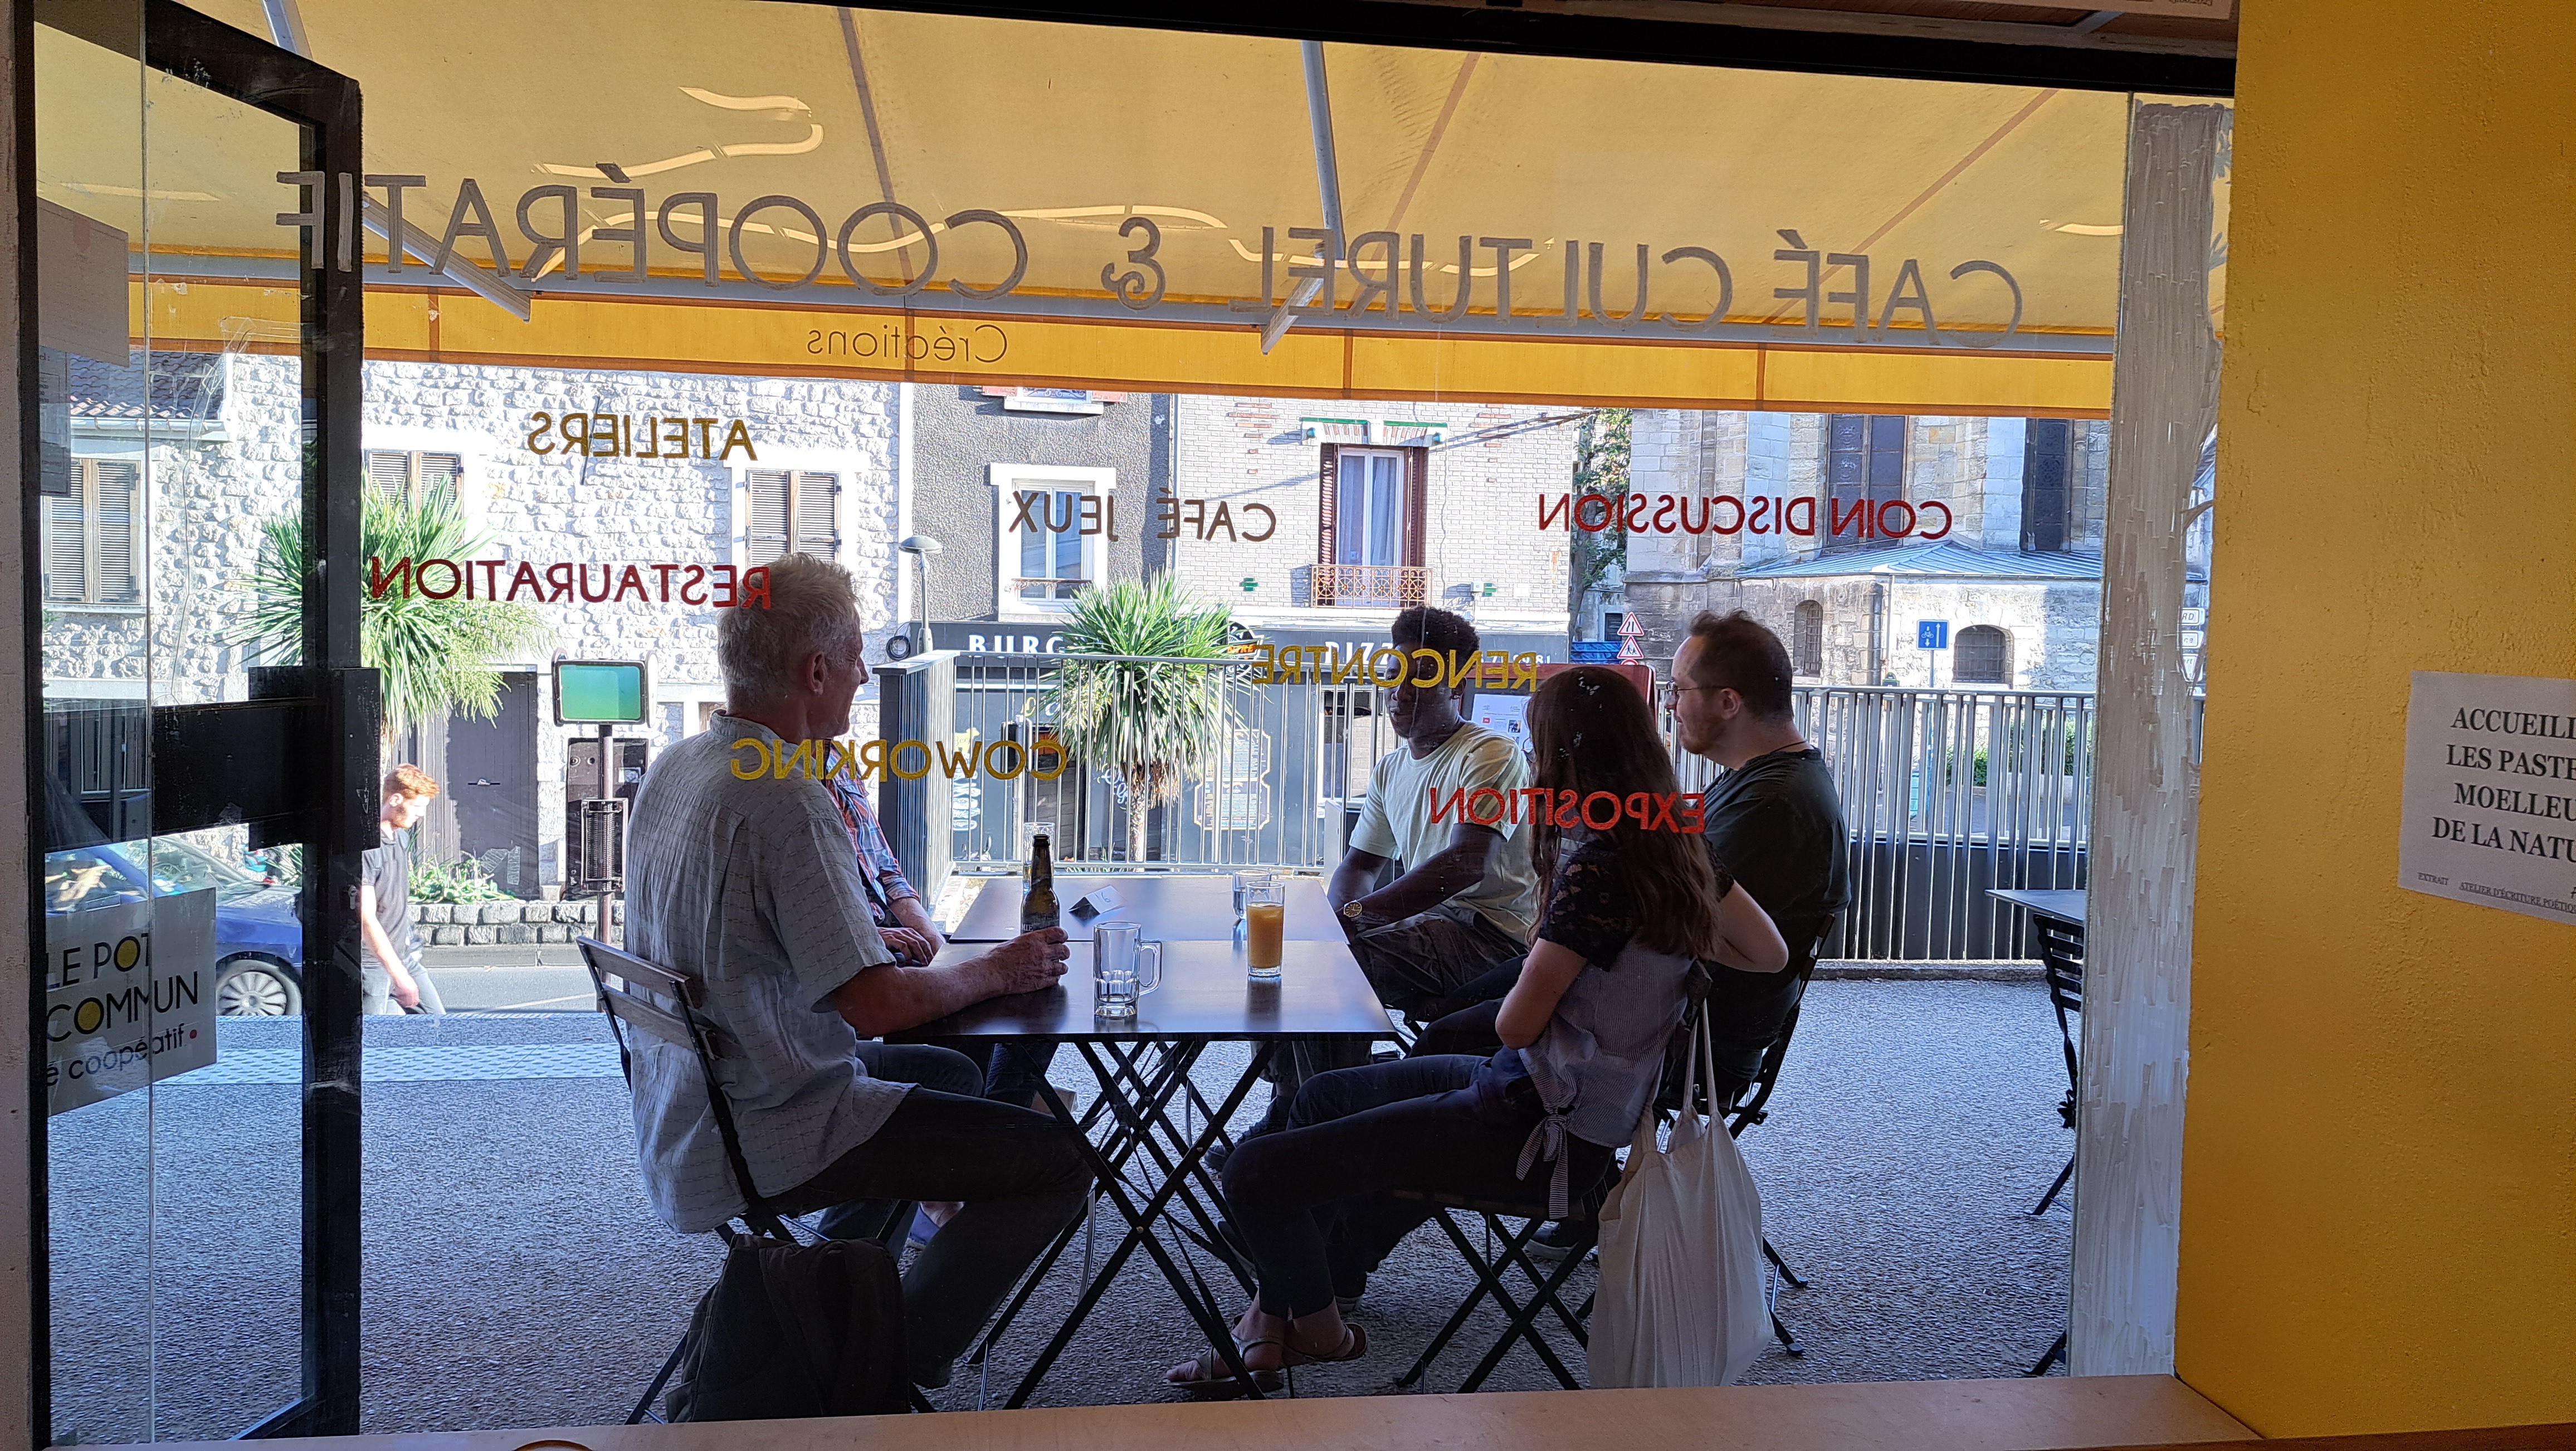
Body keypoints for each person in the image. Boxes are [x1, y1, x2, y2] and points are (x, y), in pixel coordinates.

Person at [1168, 666, 1787, 1392]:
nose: (1531, 758)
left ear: (1566, 758)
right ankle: (1268, 1330)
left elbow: (1516, 1024)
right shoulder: (1681, 849)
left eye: (1539, 745)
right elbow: (1768, 953)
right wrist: (1656, 949)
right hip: (1540, 1101)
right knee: (1318, 1099)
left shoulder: (1598, 872)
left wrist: (1574, 953)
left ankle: (1321, 1333)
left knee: (1250, 1173)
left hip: (1537, 1136)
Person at [620, 551, 1092, 1390]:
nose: (865, 675)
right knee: (1059, 1161)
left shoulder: (679, 765)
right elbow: (876, 1005)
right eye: (856, 658)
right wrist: (999, 970)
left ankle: (837, 1290)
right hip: (771, 1124)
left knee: (948, 1069)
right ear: (815, 671)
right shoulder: (788, 797)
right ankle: (882, 1358)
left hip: (688, 1112)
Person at [1668, 610, 1853, 1098]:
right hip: (1680, 1012)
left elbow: (1669, 912)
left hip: (1694, 1038)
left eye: (1679, 690)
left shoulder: (1773, 803)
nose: (1670, 704)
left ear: (1729, 702)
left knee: (1486, 1028)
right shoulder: (1762, 780)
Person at [359, 766, 442, 1015]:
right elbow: (366, 917)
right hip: (372, 965)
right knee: (372, 1035)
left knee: (439, 1024)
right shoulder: (368, 847)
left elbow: (393, 898)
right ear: (395, 799)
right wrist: (398, 975)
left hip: (402, 956)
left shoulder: (401, 838)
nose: (420, 814)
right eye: (417, 807)